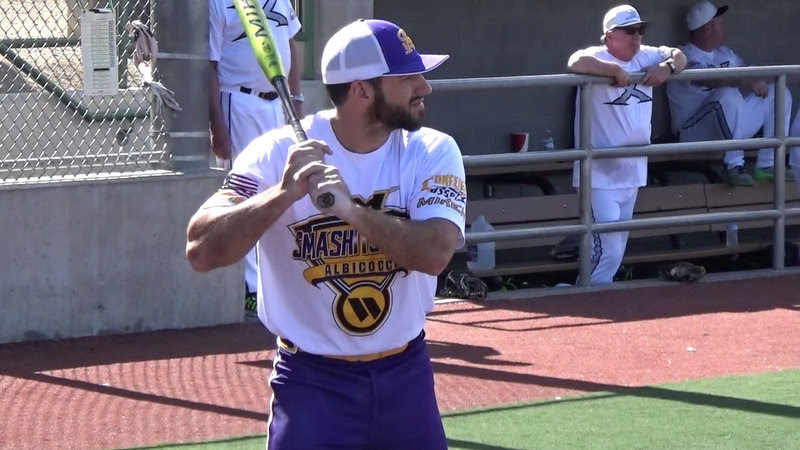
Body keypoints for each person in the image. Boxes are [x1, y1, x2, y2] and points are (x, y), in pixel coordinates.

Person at [186, 18, 465, 449]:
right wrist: (282, 194)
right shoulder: (275, 154)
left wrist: (350, 211)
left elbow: (434, 253)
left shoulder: (431, 150)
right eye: (408, 78)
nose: (424, 87)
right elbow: (201, 250)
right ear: (362, 91)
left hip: (405, 375)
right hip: (311, 384)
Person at [567, 4, 686, 284]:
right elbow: (575, 62)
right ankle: (586, 297)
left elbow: (680, 55)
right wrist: (612, 70)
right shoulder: (596, 56)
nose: (637, 37)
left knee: (615, 251)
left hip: (633, 172)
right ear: (610, 36)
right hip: (599, 176)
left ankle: (588, 294)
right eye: (630, 31)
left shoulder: (645, 55)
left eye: (640, 30)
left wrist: (667, 67)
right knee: (608, 252)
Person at [208, 0, 303, 317]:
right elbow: (210, 65)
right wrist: (217, 126)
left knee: (280, 191)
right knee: (245, 193)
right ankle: (251, 288)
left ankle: (275, 283)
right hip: (239, 100)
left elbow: (291, 45)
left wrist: (296, 99)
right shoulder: (218, 3)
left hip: (279, 103)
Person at [666, 1, 795, 186]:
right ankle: (733, 166)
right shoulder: (682, 55)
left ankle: (768, 165)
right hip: (693, 133)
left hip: (729, 128)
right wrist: (743, 80)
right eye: (721, 24)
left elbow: (755, 74)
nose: (725, 28)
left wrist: (784, 76)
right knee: (728, 94)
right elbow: (710, 80)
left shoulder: (725, 54)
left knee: (779, 92)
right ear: (707, 29)